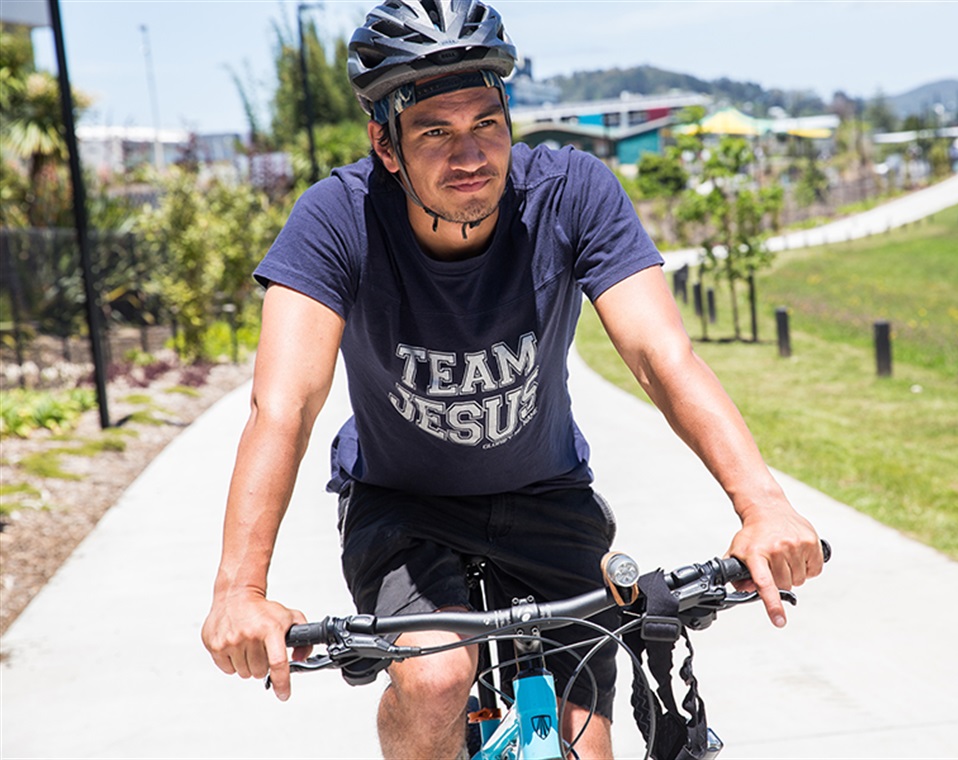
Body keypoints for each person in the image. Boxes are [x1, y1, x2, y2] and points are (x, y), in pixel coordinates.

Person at [201, 1, 824, 757]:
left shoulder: (573, 193)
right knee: (433, 680)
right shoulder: (337, 218)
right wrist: (240, 590)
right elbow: (284, 406)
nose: (469, 154)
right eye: (435, 131)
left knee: (585, 747)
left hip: (547, 493)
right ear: (385, 144)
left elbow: (664, 360)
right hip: (403, 507)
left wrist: (764, 505)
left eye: (485, 123)